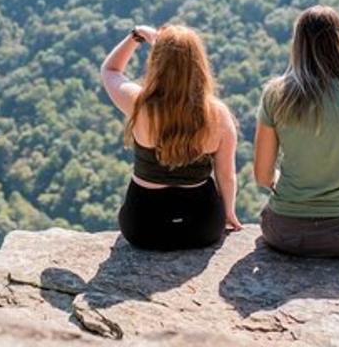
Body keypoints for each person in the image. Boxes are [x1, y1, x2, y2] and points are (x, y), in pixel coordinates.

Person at [253, 5, 339, 257]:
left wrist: (291, 187)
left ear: (298, 45)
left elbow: (263, 177)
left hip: (285, 233)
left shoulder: (276, 95)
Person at [101, 23, 240, 251]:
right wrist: (228, 213)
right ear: (200, 64)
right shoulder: (218, 115)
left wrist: (136, 36)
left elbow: (110, 70)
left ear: (156, 63)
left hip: (143, 228)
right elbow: (226, 176)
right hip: (202, 229)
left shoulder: (139, 105)